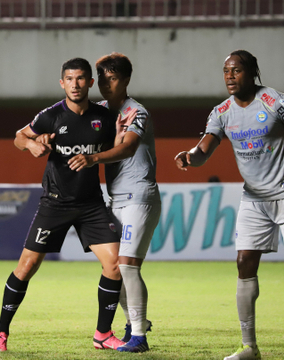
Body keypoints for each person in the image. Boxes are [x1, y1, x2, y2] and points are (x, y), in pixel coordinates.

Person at [174, 50, 284, 360]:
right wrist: (190, 157)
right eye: (226, 71)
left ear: (253, 72)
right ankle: (249, 347)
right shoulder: (222, 111)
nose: (230, 76)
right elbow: (205, 149)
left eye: (237, 70)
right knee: (244, 264)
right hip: (253, 199)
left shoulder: (275, 102)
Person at [0, 58, 126, 352]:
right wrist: (32, 144)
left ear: (90, 83)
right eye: (69, 79)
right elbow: (19, 136)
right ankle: (0, 332)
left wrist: (100, 156)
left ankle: (103, 333)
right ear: (61, 83)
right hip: (55, 203)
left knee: (115, 264)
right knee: (26, 267)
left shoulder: (104, 117)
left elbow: (119, 149)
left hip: (91, 204)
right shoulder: (50, 116)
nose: (75, 84)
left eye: (80, 79)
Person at [95, 53, 160, 353]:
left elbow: (128, 148)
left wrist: (93, 156)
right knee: (115, 269)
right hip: (115, 201)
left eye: (113, 78)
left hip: (140, 197)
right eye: (103, 79)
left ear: (126, 80)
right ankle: (135, 324)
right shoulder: (100, 114)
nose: (107, 85)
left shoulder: (137, 112)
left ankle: (139, 338)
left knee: (128, 265)